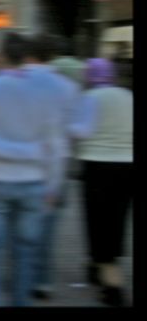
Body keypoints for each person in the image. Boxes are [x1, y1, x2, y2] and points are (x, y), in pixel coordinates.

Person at [0, 33, 64, 307]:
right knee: (25, 251)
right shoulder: (45, 90)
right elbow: (56, 143)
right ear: (26, 56)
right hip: (33, 181)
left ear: (0, 56)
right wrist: (53, 184)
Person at [24, 33, 93, 301]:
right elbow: (81, 129)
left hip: (22, 165)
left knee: (22, 225)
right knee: (47, 228)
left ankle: (25, 276)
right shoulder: (67, 87)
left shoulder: (18, 83)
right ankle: (43, 280)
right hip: (56, 165)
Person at [78, 58, 132, 307]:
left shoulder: (91, 98)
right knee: (116, 218)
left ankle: (111, 282)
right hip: (127, 165)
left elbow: (82, 131)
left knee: (97, 218)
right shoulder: (127, 95)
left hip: (97, 164)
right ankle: (99, 264)